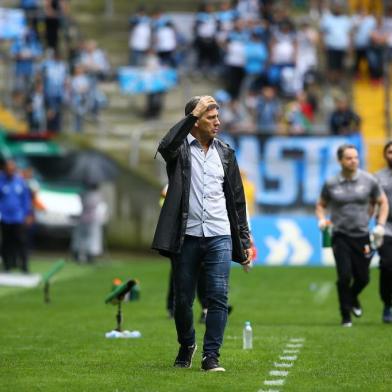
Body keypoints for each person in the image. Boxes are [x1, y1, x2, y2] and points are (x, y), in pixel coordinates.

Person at [152, 95, 252, 371]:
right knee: (182, 299)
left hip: (220, 233)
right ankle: (187, 344)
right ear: (195, 121)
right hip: (187, 236)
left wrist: (243, 239)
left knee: (218, 296)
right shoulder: (179, 150)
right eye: (211, 118)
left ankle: (212, 356)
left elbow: (237, 199)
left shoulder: (226, 153)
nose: (218, 122)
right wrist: (192, 115)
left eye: (218, 117)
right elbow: (165, 145)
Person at [316, 144, 389, 327]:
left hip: (362, 235)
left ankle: (353, 297)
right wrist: (322, 220)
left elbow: (382, 202)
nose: (353, 161)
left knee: (363, 278)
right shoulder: (331, 183)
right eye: (349, 158)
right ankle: (345, 316)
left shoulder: (368, 180)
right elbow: (321, 204)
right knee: (344, 276)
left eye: (356, 157)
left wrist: (379, 225)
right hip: (340, 235)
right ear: (340, 160)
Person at [0, 160, 33, 272]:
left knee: (21, 241)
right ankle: (7, 265)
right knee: (6, 242)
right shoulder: (1, 181)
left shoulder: (20, 182)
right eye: (8, 169)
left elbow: (25, 199)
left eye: (12, 169)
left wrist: (28, 214)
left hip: (18, 217)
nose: (10, 171)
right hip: (4, 217)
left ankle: (24, 265)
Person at [375, 141, 392, 323]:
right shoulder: (378, 177)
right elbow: (372, 202)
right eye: (390, 152)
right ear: (385, 155)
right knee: (387, 265)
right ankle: (387, 304)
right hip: (386, 227)